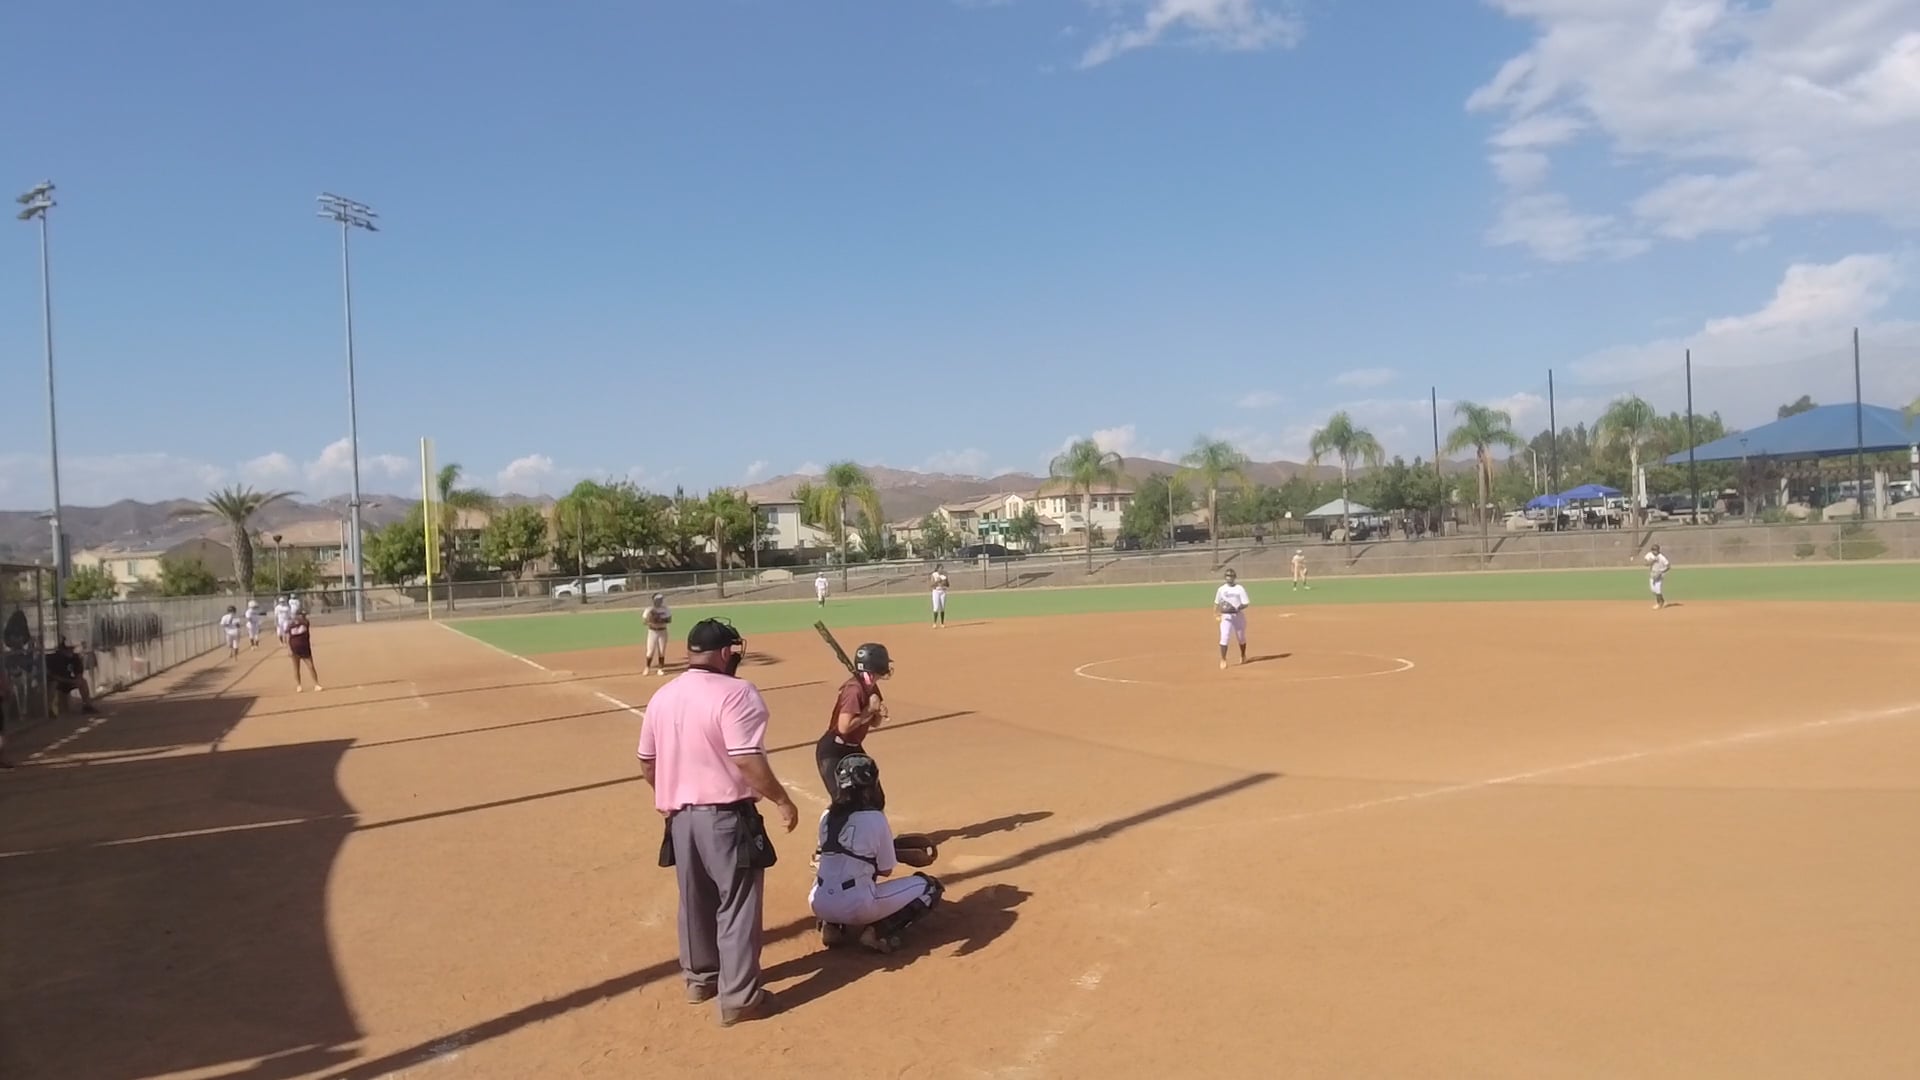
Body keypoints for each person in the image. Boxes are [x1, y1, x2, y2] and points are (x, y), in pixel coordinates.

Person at [637, 618, 798, 1027]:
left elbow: (647, 762)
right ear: (726, 653)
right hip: (726, 817)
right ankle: (740, 998)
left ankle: (700, 980)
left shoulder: (663, 695)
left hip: (679, 819)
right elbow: (745, 758)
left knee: (695, 900)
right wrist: (781, 799)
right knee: (737, 904)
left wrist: (668, 789)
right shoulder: (737, 692)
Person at [810, 752, 944, 955]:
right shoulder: (875, 817)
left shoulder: (826, 815)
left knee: (833, 870)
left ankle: (831, 927)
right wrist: (898, 853)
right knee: (931, 887)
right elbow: (885, 869)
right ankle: (877, 932)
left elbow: (824, 856)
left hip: (818, 903)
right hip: (857, 907)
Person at [816, 642, 891, 802]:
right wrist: (869, 710)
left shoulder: (871, 687)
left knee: (875, 798)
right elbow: (844, 727)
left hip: (853, 748)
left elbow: (874, 723)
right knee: (844, 800)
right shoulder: (854, 690)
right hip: (834, 750)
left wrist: (878, 712)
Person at [47, 640, 99, 715]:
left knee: (83, 682)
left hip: (67, 681)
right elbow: (53, 676)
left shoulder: (75, 658)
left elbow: (78, 674)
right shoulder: (54, 658)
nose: (70, 651)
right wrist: (69, 681)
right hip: (58, 682)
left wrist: (77, 680)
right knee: (53, 683)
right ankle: (49, 710)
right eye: (67, 649)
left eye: (72, 649)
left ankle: (87, 706)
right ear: (62, 650)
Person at [1214, 568, 1251, 670]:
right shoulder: (1221, 589)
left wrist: (1237, 608)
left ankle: (1243, 655)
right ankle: (1223, 659)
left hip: (1238, 615)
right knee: (1224, 636)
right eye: (1227, 576)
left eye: (1231, 576)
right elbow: (1216, 602)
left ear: (1234, 577)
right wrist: (1216, 614)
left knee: (1241, 637)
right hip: (1226, 616)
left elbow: (1246, 603)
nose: (1229, 578)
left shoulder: (1239, 588)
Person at [288, 609, 321, 692]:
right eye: (301, 615)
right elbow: (288, 637)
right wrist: (289, 649)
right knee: (296, 668)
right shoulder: (291, 625)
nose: (303, 616)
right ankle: (299, 685)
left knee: (311, 666)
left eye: (303, 615)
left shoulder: (305, 623)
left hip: (305, 649)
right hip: (294, 649)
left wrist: (297, 621)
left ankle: (316, 684)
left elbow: (304, 623)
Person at [643, 593, 673, 676]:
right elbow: (644, 621)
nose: (660, 601)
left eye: (661, 600)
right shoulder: (649, 609)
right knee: (650, 651)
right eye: (658, 600)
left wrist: (660, 620)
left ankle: (660, 669)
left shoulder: (665, 609)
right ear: (654, 600)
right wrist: (652, 619)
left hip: (662, 631)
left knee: (662, 651)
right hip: (652, 631)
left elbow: (669, 620)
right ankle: (647, 668)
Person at [1644, 543, 1671, 610]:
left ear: (1658, 550)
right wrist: (1651, 561)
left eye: (1655, 550)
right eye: (1653, 550)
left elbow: (1668, 566)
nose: (1654, 551)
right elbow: (1645, 564)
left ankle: (1659, 603)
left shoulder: (1662, 557)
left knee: (1658, 590)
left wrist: (1662, 571)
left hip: (1659, 575)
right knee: (1653, 590)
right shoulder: (1649, 555)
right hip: (1652, 575)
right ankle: (1663, 601)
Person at [929, 564, 950, 629]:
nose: (941, 569)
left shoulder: (944, 575)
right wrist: (937, 581)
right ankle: (934, 623)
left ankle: (942, 623)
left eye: (942, 568)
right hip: (936, 591)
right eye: (940, 568)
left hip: (943, 591)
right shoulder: (934, 574)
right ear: (937, 569)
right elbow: (931, 585)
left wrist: (944, 582)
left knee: (942, 607)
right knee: (936, 607)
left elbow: (948, 585)